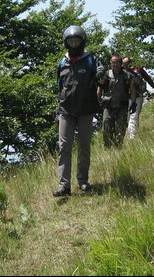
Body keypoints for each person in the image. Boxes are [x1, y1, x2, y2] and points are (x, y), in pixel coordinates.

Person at [53, 25, 105, 197]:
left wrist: (101, 76)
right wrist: (58, 109)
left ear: (82, 42)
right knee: (64, 146)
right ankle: (64, 185)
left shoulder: (91, 60)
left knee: (84, 146)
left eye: (77, 41)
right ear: (66, 43)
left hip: (86, 110)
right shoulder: (62, 62)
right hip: (66, 110)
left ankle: (83, 181)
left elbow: (102, 82)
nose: (74, 44)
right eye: (71, 41)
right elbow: (59, 87)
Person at [97, 53, 137, 148]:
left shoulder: (128, 76)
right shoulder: (106, 75)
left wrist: (134, 103)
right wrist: (98, 102)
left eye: (117, 62)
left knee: (120, 130)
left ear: (121, 63)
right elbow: (99, 89)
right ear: (111, 63)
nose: (115, 64)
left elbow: (132, 90)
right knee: (106, 130)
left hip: (122, 106)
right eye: (113, 62)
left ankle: (118, 150)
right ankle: (107, 151)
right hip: (108, 106)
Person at [122, 57, 154, 139]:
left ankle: (131, 138)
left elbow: (148, 78)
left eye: (127, 63)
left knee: (134, 116)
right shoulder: (122, 72)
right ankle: (131, 135)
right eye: (124, 64)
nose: (126, 65)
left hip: (138, 96)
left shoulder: (139, 69)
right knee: (129, 117)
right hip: (126, 98)